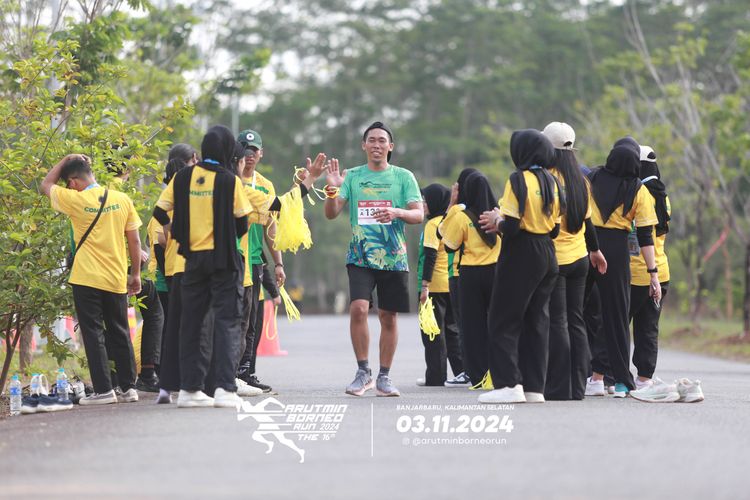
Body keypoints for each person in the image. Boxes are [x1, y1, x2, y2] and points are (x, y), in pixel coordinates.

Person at [153, 125, 252, 408]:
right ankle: (224, 389)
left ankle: (190, 390)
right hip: (223, 261)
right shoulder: (230, 180)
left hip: (191, 261)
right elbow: (242, 222)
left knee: (193, 324)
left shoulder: (182, 177)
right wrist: (224, 236)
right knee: (227, 322)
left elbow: (159, 211)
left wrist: (177, 232)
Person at [324, 121, 423, 397]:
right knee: (358, 309)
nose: (376, 145)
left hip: (393, 258)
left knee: (388, 316)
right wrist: (331, 190)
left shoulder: (403, 177)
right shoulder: (353, 176)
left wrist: (397, 212)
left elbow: (418, 214)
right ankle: (363, 372)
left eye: (382, 140)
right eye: (372, 140)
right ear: (363, 145)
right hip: (360, 255)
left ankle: (384, 377)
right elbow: (331, 213)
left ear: (390, 146)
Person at [41, 154, 142, 405]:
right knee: (120, 331)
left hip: (86, 278)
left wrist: (66, 158)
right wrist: (136, 274)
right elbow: (134, 241)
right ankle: (129, 388)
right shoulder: (121, 199)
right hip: (116, 277)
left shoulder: (75, 200)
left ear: (74, 182)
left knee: (93, 333)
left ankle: (104, 391)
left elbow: (45, 184)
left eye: (68, 183)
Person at [478, 129, 562, 404]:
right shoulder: (553, 181)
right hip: (548, 253)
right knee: (537, 321)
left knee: (503, 318)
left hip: (522, 253)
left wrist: (497, 220)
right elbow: (556, 229)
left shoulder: (518, 180)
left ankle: (508, 384)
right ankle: (534, 388)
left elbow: (512, 227)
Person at [586, 137, 661, 398]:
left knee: (576, 313)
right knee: (617, 317)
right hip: (617, 252)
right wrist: (653, 274)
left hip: (586, 245)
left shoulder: (592, 179)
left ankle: (582, 377)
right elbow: (645, 236)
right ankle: (620, 382)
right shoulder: (638, 190)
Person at [541, 122, 607, 400]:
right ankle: (578, 386)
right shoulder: (582, 181)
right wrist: (595, 250)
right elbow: (588, 221)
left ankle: (559, 386)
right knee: (576, 321)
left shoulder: (547, 180)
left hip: (556, 260)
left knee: (558, 321)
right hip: (580, 259)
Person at [439, 170, 500, 388]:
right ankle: (500, 372)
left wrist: (453, 207)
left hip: (470, 275)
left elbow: (449, 245)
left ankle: (479, 376)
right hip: (497, 273)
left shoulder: (463, 216)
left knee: (473, 328)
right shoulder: (499, 215)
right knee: (498, 324)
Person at [235, 129, 282, 394]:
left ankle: (246, 372)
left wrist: (278, 263)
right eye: (245, 149)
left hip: (255, 261)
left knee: (253, 321)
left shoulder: (265, 185)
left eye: (254, 150)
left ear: (261, 153)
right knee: (238, 320)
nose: (249, 155)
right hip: (234, 260)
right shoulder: (231, 180)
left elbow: (271, 228)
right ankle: (231, 374)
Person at [154, 144, 197, 404]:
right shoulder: (191, 190)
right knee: (190, 327)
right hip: (189, 267)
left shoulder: (167, 194)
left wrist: (171, 230)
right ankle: (188, 384)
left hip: (170, 269)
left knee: (171, 328)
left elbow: (160, 236)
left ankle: (166, 386)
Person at [628, 145, 671, 393]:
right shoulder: (664, 196)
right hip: (662, 271)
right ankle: (644, 379)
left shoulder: (637, 194)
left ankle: (609, 376)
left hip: (636, 272)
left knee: (618, 325)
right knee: (648, 328)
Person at [416, 183, 464, 387]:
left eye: (426, 200)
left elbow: (430, 256)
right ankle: (463, 373)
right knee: (453, 332)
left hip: (433, 287)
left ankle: (436, 377)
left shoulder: (433, 225)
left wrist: (424, 286)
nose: (423, 204)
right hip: (451, 283)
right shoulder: (450, 221)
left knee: (432, 333)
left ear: (435, 202)